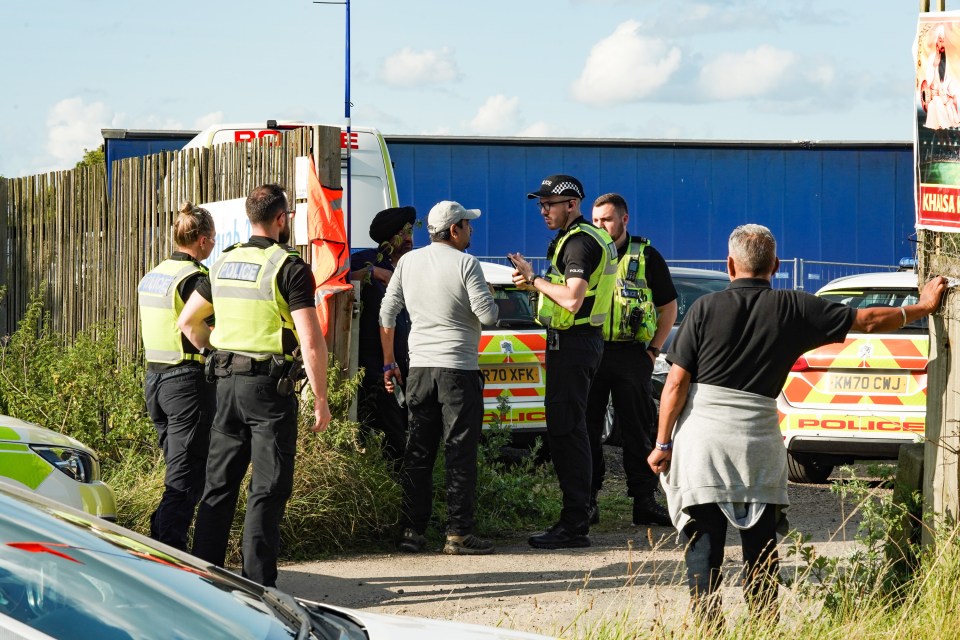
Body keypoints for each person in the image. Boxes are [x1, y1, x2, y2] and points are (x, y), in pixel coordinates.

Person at [647, 223, 947, 624]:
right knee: (760, 543)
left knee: (704, 541)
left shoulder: (704, 309)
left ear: (729, 265)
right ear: (775, 265)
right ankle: (765, 624)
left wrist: (663, 444)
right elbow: (870, 321)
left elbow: (676, 384)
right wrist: (923, 307)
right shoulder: (796, 307)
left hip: (703, 441)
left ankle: (707, 625)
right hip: (757, 441)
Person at [178, 183, 332, 587]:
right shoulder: (289, 266)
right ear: (280, 219)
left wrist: (215, 353)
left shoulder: (224, 262)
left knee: (219, 484)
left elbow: (188, 322)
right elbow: (311, 339)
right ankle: (259, 585)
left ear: (250, 217)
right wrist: (320, 397)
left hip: (225, 386)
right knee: (268, 486)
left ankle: (204, 578)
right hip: (268, 390)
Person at [380, 200, 498, 556]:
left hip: (419, 370)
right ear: (453, 230)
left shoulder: (408, 262)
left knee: (418, 450)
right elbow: (489, 317)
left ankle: (412, 532)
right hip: (458, 371)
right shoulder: (467, 264)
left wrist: (390, 363)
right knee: (459, 452)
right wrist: (488, 297)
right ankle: (459, 534)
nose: (471, 229)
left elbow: (387, 312)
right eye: (467, 224)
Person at [509, 174, 617, 550]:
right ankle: (580, 513)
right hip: (580, 343)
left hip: (573, 344)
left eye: (549, 204)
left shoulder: (581, 242)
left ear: (571, 204)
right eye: (540, 204)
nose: (542, 211)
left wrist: (533, 279)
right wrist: (533, 283)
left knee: (566, 433)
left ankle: (574, 524)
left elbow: (572, 299)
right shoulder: (585, 237)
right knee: (575, 431)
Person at [586, 193, 677, 527]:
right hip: (592, 350)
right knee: (587, 428)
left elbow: (669, 306)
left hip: (631, 354)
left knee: (638, 431)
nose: (599, 226)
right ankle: (587, 501)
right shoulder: (586, 251)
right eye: (595, 220)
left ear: (624, 220)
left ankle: (644, 501)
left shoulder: (646, 256)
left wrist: (654, 350)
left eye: (606, 220)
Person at [137, 201, 217, 551]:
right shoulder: (194, 280)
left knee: (177, 468)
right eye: (212, 239)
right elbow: (199, 329)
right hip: (185, 381)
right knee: (186, 476)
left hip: (154, 379)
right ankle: (169, 549)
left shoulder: (153, 274)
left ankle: (163, 539)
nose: (213, 245)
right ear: (201, 240)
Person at [350, 206, 416, 468]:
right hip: (376, 367)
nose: (410, 238)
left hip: (406, 364)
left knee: (406, 428)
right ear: (390, 237)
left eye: (411, 231)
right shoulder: (367, 260)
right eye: (403, 232)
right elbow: (338, 280)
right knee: (390, 436)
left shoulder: (412, 266)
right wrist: (373, 273)